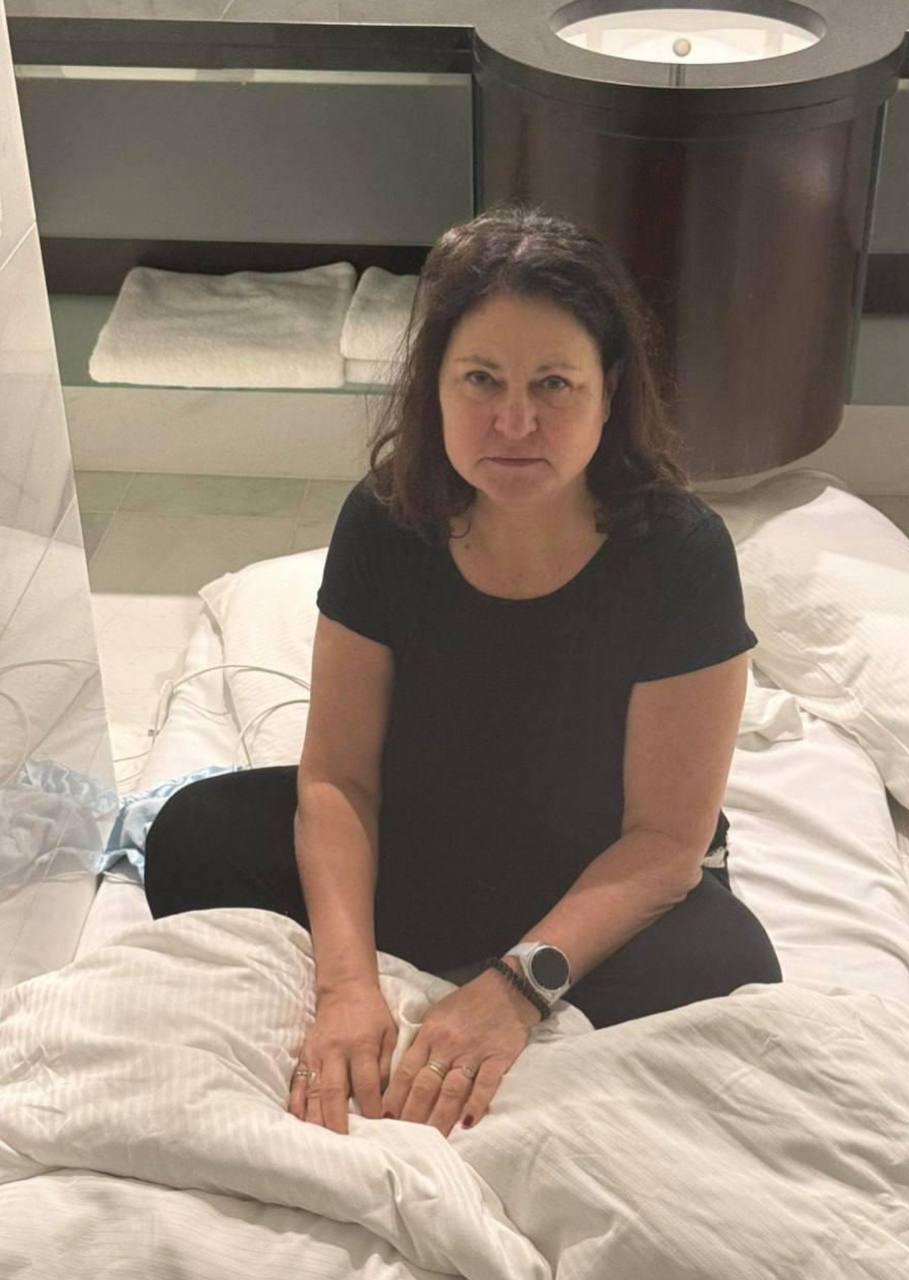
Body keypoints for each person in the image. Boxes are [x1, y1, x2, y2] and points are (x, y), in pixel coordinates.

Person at [144, 202, 782, 1142]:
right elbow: (338, 778)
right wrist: (346, 986)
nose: (514, 422)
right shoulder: (385, 521)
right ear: (434, 387)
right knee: (191, 837)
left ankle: (498, 1005)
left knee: (728, 970)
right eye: (481, 379)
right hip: (421, 836)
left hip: (593, 862)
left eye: (553, 383)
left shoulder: (679, 552)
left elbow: (661, 843)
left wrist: (513, 992)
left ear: (608, 391)